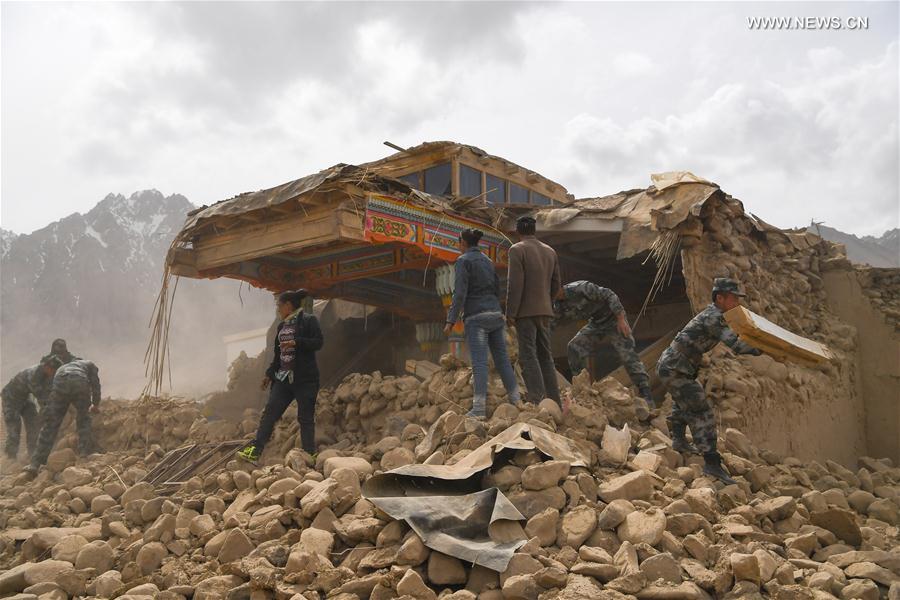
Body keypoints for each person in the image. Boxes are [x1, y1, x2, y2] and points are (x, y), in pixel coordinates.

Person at [656, 278, 762, 485]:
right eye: (733, 299)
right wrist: (764, 347)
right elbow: (736, 345)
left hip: (677, 366)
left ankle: (679, 441)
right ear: (720, 298)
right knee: (701, 411)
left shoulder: (716, 315)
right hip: (675, 367)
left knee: (683, 402)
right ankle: (712, 463)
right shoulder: (714, 317)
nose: (737, 303)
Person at [238, 289, 324, 462]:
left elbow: (318, 342)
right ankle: (255, 451)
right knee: (269, 414)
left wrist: (296, 342)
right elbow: (279, 357)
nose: (278, 309)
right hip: (283, 378)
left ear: (288, 305)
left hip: (305, 379)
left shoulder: (309, 321)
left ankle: (309, 454)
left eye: (279, 305)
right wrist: (269, 374)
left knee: (305, 418)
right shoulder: (281, 327)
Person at [444, 228, 521, 419]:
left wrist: (450, 320)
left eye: (459, 242)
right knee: (502, 360)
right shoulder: (487, 261)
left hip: (476, 317)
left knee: (479, 363)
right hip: (495, 314)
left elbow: (459, 293)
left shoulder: (463, 261)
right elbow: (496, 288)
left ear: (463, 243)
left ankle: (478, 409)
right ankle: (516, 400)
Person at [554, 280, 654, 407]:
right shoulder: (558, 305)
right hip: (596, 323)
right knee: (574, 346)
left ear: (558, 288)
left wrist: (621, 319)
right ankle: (583, 388)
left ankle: (646, 393)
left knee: (627, 355)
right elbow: (551, 323)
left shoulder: (580, 288)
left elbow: (609, 294)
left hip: (614, 319)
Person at [506, 215, 562, 405]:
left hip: (525, 313)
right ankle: (554, 400)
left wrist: (511, 313)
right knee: (546, 356)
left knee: (528, 355)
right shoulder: (550, 251)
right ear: (534, 230)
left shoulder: (517, 250)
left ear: (518, 231)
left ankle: (537, 399)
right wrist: (547, 301)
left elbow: (515, 285)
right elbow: (556, 284)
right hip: (545, 311)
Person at [25, 358, 101, 475]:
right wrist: (95, 404)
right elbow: (96, 385)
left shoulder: (63, 368)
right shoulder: (90, 365)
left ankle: (35, 463)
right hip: (79, 382)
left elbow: (53, 389)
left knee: (50, 425)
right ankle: (83, 454)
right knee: (83, 419)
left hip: (60, 383)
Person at [2, 356, 58, 460]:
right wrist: (49, 409)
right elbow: (41, 395)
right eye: (53, 371)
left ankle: (33, 454)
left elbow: (49, 391)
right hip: (11, 399)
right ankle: (10, 458)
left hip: (25, 398)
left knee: (33, 425)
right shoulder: (34, 374)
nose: (54, 374)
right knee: (14, 430)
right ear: (47, 367)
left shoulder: (47, 374)